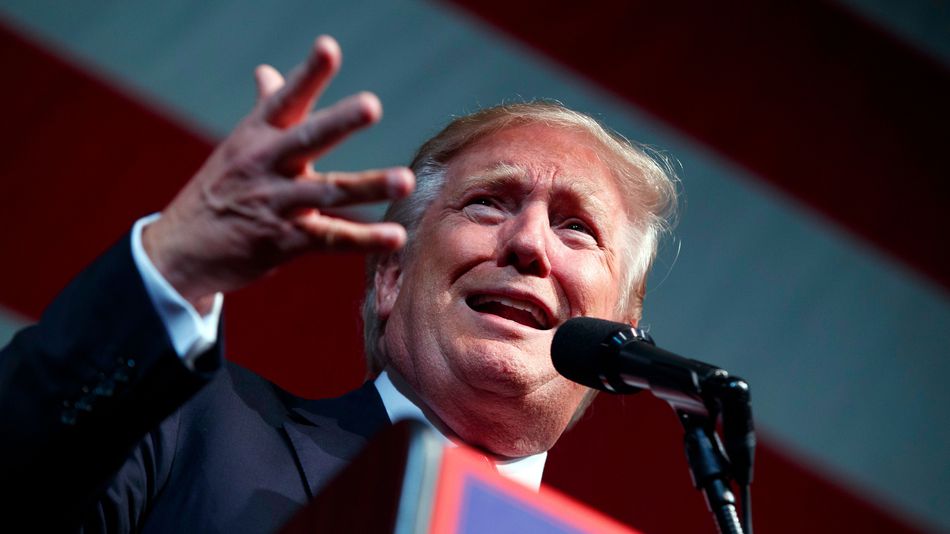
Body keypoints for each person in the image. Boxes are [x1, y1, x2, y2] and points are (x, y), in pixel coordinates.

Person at [0, 36, 677, 532]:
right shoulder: (187, 430)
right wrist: (175, 263)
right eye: (488, 203)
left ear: (619, 329)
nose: (528, 244)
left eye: (576, 228)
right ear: (390, 278)